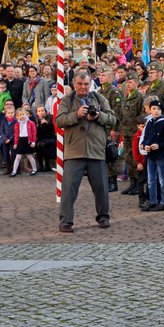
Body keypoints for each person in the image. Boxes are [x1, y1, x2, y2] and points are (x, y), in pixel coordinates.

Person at [55, 71, 116, 233]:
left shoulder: (99, 98)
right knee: (68, 190)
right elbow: (59, 120)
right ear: (74, 84)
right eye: (80, 84)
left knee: (101, 188)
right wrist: (76, 114)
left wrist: (98, 115)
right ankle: (66, 221)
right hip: (74, 152)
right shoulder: (67, 100)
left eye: (86, 84)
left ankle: (103, 217)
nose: (83, 87)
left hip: (96, 151)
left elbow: (112, 119)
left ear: (91, 84)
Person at [141, 99, 164, 211]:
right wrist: (144, 145)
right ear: (150, 110)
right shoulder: (150, 123)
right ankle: (152, 201)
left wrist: (159, 145)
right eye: (154, 109)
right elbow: (146, 138)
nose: (156, 111)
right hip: (150, 155)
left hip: (161, 155)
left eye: (159, 109)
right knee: (151, 179)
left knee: (162, 179)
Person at [96, 67, 123, 193]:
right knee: (103, 153)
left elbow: (117, 112)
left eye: (104, 75)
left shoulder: (114, 92)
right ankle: (106, 179)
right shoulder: (99, 91)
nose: (101, 77)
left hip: (109, 127)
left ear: (111, 78)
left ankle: (113, 181)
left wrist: (115, 129)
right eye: (100, 75)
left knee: (111, 153)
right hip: (101, 126)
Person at [9, 108, 37, 176]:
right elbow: (16, 135)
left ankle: (34, 169)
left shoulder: (31, 123)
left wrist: (33, 142)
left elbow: (34, 133)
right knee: (18, 156)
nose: (22, 116)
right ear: (17, 117)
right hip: (21, 141)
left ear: (26, 114)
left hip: (28, 140)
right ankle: (14, 171)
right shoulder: (17, 124)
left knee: (29, 156)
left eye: (23, 114)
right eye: (20, 115)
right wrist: (15, 143)